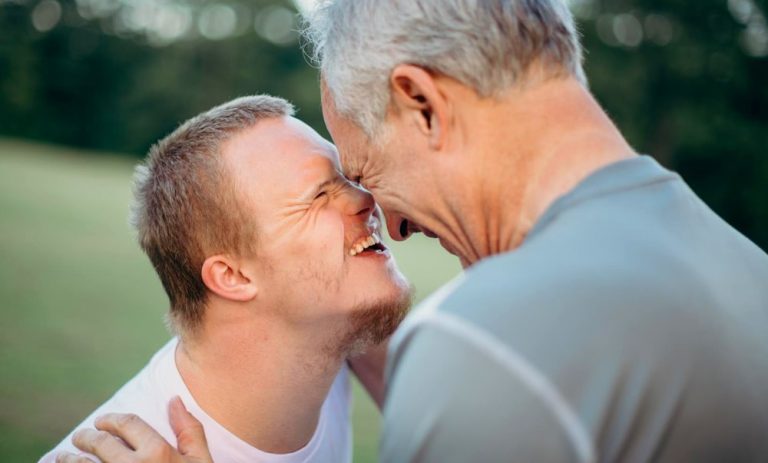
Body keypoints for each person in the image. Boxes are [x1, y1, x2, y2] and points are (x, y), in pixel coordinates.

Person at [65, 0, 768, 462]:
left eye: (367, 168)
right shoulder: (743, 266)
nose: (390, 220)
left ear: (422, 104)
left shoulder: (489, 347)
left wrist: (456, 354)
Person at [44, 95, 410, 463]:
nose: (366, 198)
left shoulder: (335, 331)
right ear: (232, 276)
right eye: (318, 196)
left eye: (347, 178)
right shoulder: (114, 455)